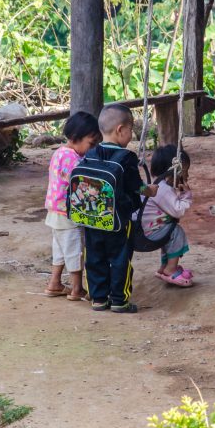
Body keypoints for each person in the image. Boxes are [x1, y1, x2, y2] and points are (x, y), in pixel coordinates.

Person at [83, 104, 155, 313]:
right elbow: (137, 187)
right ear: (120, 129)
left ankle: (98, 298)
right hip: (119, 221)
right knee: (120, 258)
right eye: (131, 129)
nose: (131, 135)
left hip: (93, 217)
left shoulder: (90, 153)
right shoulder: (127, 158)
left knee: (94, 257)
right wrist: (149, 190)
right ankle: (118, 300)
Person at [43, 111, 101, 300]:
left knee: (60, 249)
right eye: (91, 144)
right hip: (67, 213)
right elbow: (80, 184)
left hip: (54, 211)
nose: (91, 148)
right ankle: (77, 288)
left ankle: (55, 283)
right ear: (76, 137)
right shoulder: (71, 158)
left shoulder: (59, 153)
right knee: (74, 250)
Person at [142, 145, 194, 287]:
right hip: (148, 234)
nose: (187, 176)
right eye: (185, 172)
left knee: (169, 229)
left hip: (144, 229)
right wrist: (186, 195)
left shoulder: (158, 185)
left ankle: (163, 267)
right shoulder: (163, 190)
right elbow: (178, 211)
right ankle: (170, 270)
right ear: (172, 173)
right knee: (176, 232)